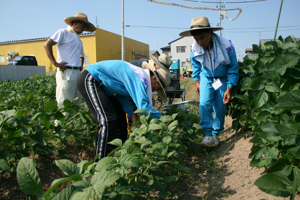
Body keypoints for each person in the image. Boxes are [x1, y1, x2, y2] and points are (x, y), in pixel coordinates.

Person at [77, 60, 171, 161]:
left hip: (104, 87)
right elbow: (144, 108)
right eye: (157, 88)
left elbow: (121, 94)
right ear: (154, 78)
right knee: (108, 120)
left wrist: (132, 114)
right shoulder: (139, 78)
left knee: (121, 120)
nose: (154, 91)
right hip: (91, 79)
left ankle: (117, 158)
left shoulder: (139, 77)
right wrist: (165, 120)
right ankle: (99, 163)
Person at [179, 16, 239, 148]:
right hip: (206, 77)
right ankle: (208, 134)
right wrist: (196, 80)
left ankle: (216, 134)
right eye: (196, 39)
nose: (200, 41)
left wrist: (229, 87)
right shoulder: (195, 48)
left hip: (221, 77)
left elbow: (233, 67)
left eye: (202, 37)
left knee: (220, 105)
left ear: (210, 33)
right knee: (204, 102)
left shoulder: (226, 44)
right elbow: (195, 64)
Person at [44, 13, 96, 107]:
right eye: (83, 25)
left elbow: (82, 56)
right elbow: (47, 44)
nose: (84, 29)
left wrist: (80, 65)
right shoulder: (63, 32)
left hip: (77, 72)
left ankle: (74, 122)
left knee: (77, 101)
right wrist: (55, 63)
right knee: (64, 103)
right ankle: (61, 122)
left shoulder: (79, 40)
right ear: (75, 23)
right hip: (66, 72)